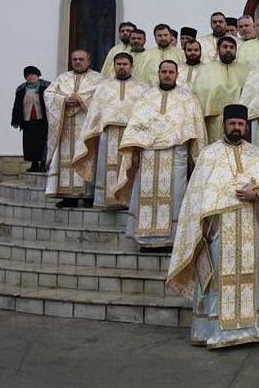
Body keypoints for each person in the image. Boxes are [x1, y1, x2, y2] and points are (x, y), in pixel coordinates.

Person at [166, 104, 259, 349]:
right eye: (232, 123)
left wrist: (257, 195)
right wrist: (203, 224)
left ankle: (246, 331)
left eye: (241, 124)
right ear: (224, 125)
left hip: (248, 226)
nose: (237, 127)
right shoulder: (209, 154)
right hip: (218, 229)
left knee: (246, 279)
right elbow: (196, 195)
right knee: (218, 280)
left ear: (246, 126)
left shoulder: (255, 154)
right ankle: (216, 332)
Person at [108, 60, 206, 247]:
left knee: (175, 196)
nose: (167, 75)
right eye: (164, 71)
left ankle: (171, 240)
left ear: (177, 74)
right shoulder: (147, 96)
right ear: (158, 73)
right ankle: (146, 239)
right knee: (146, 193)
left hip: (176, 153)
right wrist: (134, 152)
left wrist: (197, 158)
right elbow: (135, 125)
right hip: (148, 154)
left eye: (171, 72)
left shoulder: (188, 99)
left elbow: (197, 130)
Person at [71, 53, 151, 209]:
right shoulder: (103, 87)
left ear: (132, 66)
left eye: (125, 64)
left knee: (130, 166)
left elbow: (146, 112)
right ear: (113, 66)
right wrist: (92, 132)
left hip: (131, 134)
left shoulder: (142, 88)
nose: (121, 67)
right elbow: (95, 111)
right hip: (108, 134)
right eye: (118, 64)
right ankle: (105, 201)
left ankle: (128, 202)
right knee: (107, 169)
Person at [44, 50, 104, 206]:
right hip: (66, 127)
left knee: (88, 156)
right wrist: (63, 100)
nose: (77, 62)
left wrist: (81, 99)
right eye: (75, 59)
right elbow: (48, 94)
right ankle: (68, 197)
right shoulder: (62, 78)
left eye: (81, 59)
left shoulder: (98, 79)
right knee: (67, 159)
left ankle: (88, 196)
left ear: (88, 61)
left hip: (87, 126)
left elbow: (101, 98)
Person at [192, 36, 249, 143]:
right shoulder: (206, 70)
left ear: (236, 50)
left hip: (239, 122)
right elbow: (199, 95)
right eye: (225, 47)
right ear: (218, 50)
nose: (228, 50)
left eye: (232, 47)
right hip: (214, 121)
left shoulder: (245, 71)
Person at [11, 66, 50, 173]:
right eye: (28, 75)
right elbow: (17, 105)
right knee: (30, 143)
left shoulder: (47, 86)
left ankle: (43, 164)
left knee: (43, 142)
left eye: (32, 75)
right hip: (28, 121)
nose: (30, 77)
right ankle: (34, 164)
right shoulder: (21, 89)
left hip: (43, 120)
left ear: (38, 75)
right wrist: (15, 120)